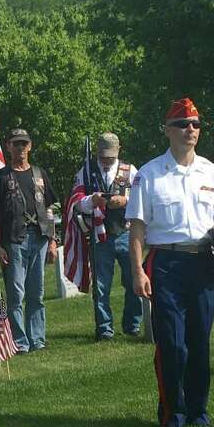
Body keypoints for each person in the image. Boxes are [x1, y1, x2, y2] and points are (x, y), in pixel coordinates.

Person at [127, 98, 214, 427]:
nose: (191, 129)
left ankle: (197, 412)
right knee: (172, 343)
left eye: (196, 124)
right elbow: (137, 228)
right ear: (167, 130)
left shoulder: (211, 171)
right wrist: (137, 270)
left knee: (199, 341)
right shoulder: (149, 174)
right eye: (183, 124)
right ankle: (172, 414)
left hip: (202, 263)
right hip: (166, 263)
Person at [0, 128, 57, 352]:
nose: (20, 148)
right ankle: (19, 340)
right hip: (14, 239)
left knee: (36, 292)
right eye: (16, 143)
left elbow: (50, 208)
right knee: (16, 293)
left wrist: (53, 240)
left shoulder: (39, 174)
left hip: (39, 237)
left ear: (30, 146)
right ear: (8, 146)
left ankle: (37, 338)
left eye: (24, 143)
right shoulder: (0, 177)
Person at [74, 132, 142, 340]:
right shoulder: (86, 171)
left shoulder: (130, 171)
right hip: (99, 235)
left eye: (110, 157)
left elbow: (142, 197)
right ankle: (104, 329)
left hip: (126, 233)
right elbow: (76, 200)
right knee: (101, 286)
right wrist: (91, 201)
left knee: (133, 281)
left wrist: (125, 200)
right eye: (103, 157)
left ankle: (133, 324)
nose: (106, 161)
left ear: (119, 151)